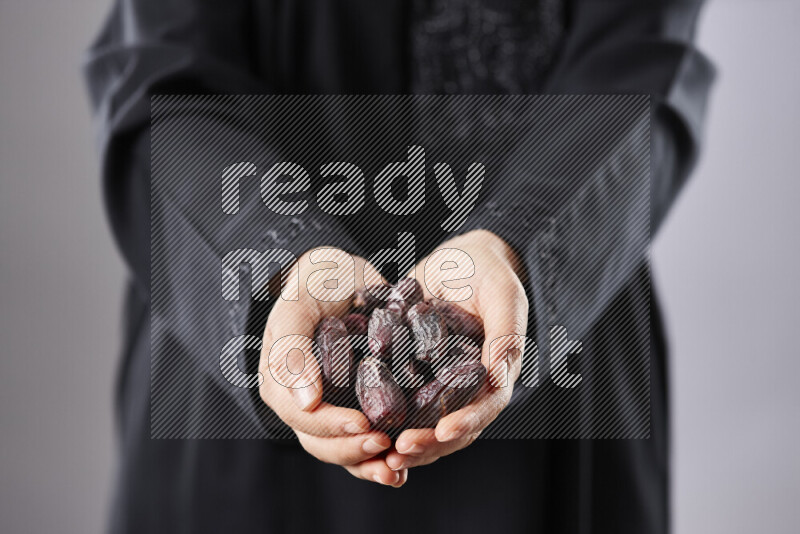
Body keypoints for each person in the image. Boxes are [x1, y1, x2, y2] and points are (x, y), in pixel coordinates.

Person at [84, 1, 714, 532]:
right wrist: (277, 255)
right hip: (240, 357)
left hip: (555, 327)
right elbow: (162, 82)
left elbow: (639, 62)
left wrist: (520, 239)